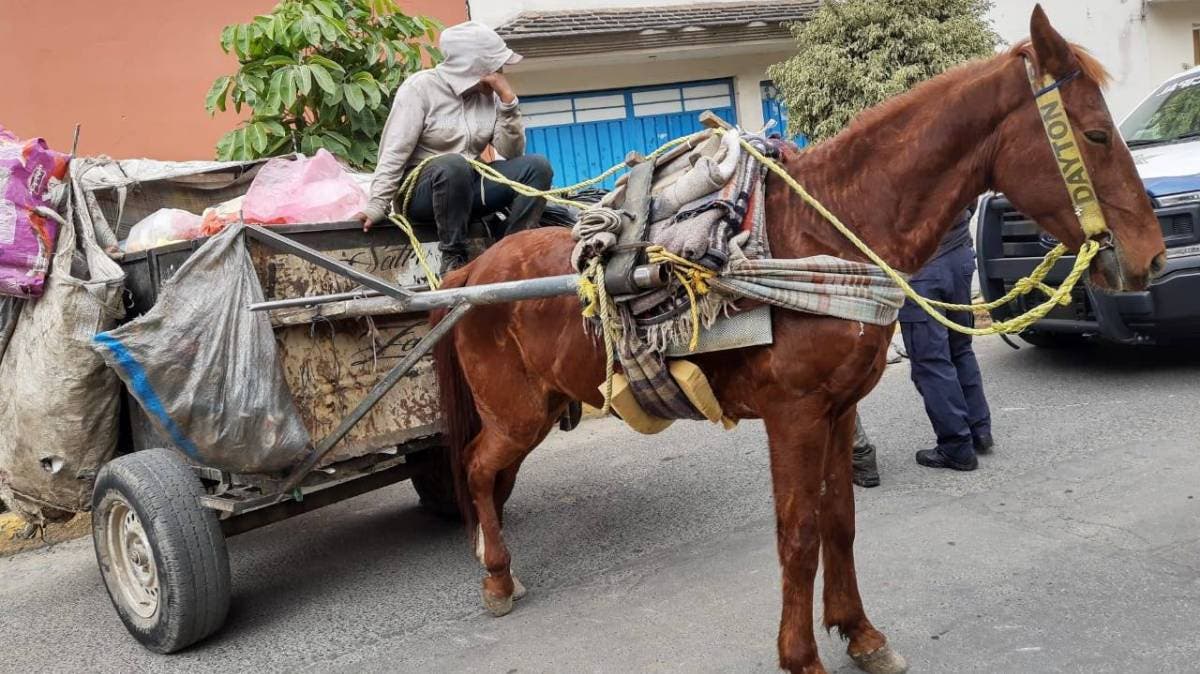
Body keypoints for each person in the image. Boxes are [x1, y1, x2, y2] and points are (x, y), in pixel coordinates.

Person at [355, 21, 553, 273]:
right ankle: (453, 257)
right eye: (495, 65)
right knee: (453, 164)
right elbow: (394, 152)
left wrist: (508, 103)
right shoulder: (420, 88)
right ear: (472, 67)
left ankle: (512, 251)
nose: (501, 70)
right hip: (422, 192)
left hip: (469, 185)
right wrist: (376, 205)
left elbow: (512, 153)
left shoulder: (489, 96)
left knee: (537, 167)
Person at [900, 207, 994, 472]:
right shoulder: (951, 162)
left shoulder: (899, 164)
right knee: (960, 349)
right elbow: (971, 201)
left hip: (924, 268)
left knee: (931, 362)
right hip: (959, 256)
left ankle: (956, 447)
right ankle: (979, 431)